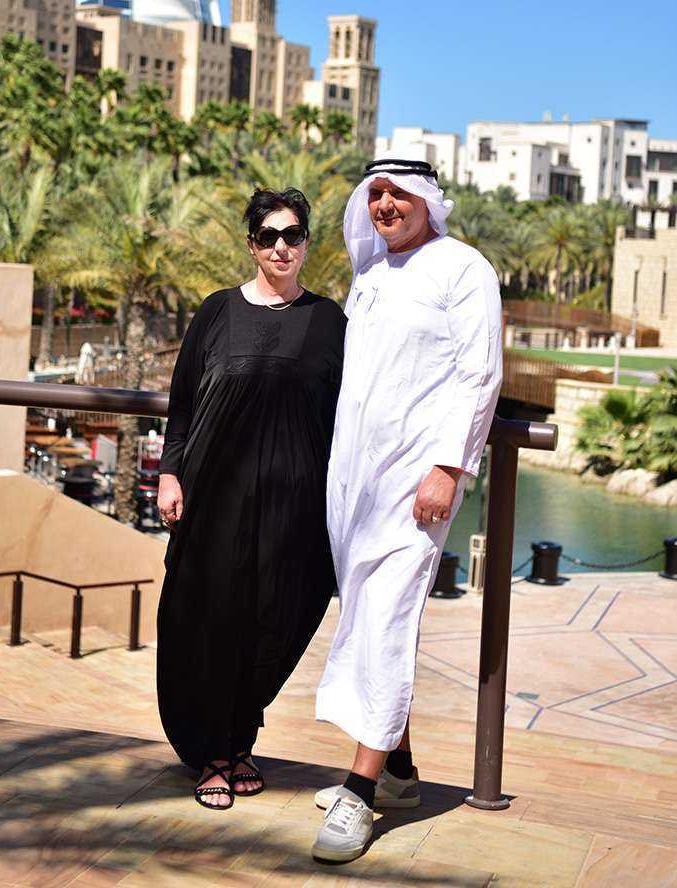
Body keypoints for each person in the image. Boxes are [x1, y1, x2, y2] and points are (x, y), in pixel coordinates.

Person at [311, 155, 503, 862]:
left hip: (415, 482)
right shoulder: (370, 274)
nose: (385, 205)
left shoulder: (462, 268)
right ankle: (397, 772)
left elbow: (479, 374)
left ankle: (357, 796)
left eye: (398, 194)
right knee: (366, 611)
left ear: (427, 199)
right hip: (353, 479)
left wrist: (447, 467)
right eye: (376, 194)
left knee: (388, 613)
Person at [156, 187, 346, 811]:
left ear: (309, 242)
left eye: (293, 235)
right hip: (216, 495)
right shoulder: (216, 312)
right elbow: (182, 403)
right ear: (252, 245)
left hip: (295, 505)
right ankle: (214, 750)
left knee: (281, 616)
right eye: (269, 237)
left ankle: (240, 735)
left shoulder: (330, 322)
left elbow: (356, 413)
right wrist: (170, 474)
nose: (282, 247)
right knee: (210, 620)